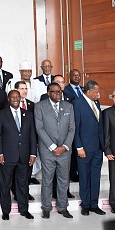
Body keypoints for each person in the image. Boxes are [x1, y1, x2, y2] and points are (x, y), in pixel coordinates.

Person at [35, 82, 75, 219]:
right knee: (47, 180)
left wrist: (64, 147)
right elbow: (39, 128)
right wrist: (53, 147)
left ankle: (62, 207)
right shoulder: (39, 106)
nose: (59, 94)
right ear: (48, 93)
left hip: (64, 150)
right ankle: (46, 208)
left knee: (64, 180)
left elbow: (72, 128)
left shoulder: (68, 106)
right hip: (48, 151)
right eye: (55, 92)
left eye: (60, 91)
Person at [0, 90, 37, 220]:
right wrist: (0, 153)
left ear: (20, 99)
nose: (15, 99)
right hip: (7, 156)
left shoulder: (28, 114)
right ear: (8, 99)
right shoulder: (1, 114)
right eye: (13, 97)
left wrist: (33, 153)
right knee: (5, 184)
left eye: (17, 97)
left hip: (24, 156)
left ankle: (24, 209)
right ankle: (6, 211)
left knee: (23, 184)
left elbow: (32, 135)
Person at [73, 80, 105, 216]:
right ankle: (85, 205)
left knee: (95, 177)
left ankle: (94, 204)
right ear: (89, 91)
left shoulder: (96, 103)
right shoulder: (77, 103)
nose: (98, 94)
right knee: (85, 177)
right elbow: (75, 128)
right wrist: (79, 147)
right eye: (96, 92)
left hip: (98, 148)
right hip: (84, 149)